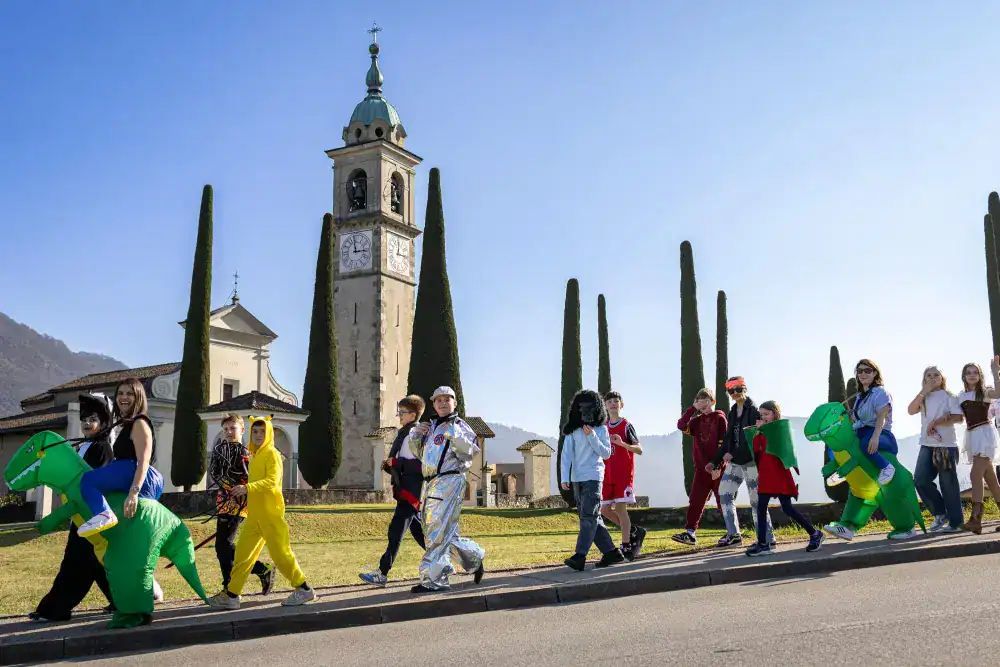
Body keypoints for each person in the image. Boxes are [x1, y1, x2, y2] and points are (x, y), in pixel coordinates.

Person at [207, 415, 316, 608]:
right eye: (255, 431)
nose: (258, 435)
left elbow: (272, 482)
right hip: (253, 516)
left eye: (262, 431)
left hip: (270, 514)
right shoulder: (254, 455)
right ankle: (232, 595)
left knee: (281, 555)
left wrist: (246, 488)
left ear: (270, 433)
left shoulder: (272, 453)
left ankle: (304, 589)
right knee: (242, 556)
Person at [30, 393, 116, 622]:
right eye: (84, 419)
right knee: (97, 565)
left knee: (76, 563)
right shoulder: (83, 446)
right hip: (81, 515)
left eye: (93, 419)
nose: (87, 423)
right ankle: (121, 601)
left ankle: (54, 609)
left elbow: (92, 483)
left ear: (104, 422)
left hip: (91, 516)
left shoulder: (102, 448)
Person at [409, 386, 486, 593]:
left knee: (436, 531)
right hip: (432, 482)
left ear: (455, 402)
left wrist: (455, 435)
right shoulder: (431, 426)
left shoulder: (460, 426)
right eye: (438, 400)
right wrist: (416, 436)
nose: (443, 403)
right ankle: (474, 559)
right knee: (441, 531)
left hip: (450, 480)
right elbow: (422, 455)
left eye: (447, 399)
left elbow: (471, 451)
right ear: (433, 404)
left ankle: (433, 580)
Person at [77, 378, 165, 537]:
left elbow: (143, 461)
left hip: (132, 471)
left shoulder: (140, 423)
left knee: (88, 480)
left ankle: (103, 514)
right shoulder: (128, 424)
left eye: (129, 394)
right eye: (120, 393)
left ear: (138, 397)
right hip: (127, 471)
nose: (123, 397)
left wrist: (134, 493)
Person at [360, 395, 427, 587]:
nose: (399, 415)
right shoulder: (405, 433)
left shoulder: (415, 434)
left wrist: (396, 462)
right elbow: (403, 460)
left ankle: (382, 573)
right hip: (405, 490)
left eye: (402, 412)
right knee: (420, 535)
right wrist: (390, 464)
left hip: (411, 492)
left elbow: (421, 466)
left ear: (413, 414)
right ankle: (445, 561)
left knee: (395, 533)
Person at [745, 401, 824, 556]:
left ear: (775, 413)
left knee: (787, 508)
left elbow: (778, 445)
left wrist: (763, 430)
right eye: (761, 415)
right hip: (766, 475)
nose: (763, 417)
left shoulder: (780, 428)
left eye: (766, 414)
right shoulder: (761, 431)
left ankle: (815, 533)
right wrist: (756, 433)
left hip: (779, 474)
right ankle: (763, 543)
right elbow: (756, 450)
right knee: (760, 508)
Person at [208, 413, 275, 594]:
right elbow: (217, 475)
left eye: (233, 428)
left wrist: (241, 490)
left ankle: (234, 586)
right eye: (226, 429)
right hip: (223, 502)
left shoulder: (246, 453)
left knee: (223, 546)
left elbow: (250, 479)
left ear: (242, 430)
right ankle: (238, 581)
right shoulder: (221, 450)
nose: (229, 432)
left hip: (238, 503)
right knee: (223, 546)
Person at [562, 389, 626, 571]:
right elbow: (566, 456)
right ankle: (612, 553)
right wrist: (565, 477)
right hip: (577, 479)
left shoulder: (601, 429)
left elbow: (605, 453)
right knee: (592, 516)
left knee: (588, 516)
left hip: (594, 477)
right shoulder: (572, 431)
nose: (585, 411)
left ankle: (579, 556)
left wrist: (592, 436)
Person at [707, 377, 773, 547]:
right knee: (725, 494)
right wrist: (714, 461)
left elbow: (752, 438)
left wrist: (732, 453)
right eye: (730, 391)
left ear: (744, 388)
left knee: (757, 501)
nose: (734, 393)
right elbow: (729, 438)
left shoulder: (754, 411)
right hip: (735, 462)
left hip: (751, 461)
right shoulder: (732, 412)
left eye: (737, 389)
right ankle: (734, 535)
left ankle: (766, 538)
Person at [908, 366, 964, 533]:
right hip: (927, 445)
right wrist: (923, 391)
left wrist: (936, 422)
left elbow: (958, 418)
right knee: (920, 479)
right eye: (928, 375)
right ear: (924, 379)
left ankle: (956, 522)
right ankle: (940, 513)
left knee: (948, 484)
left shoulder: (949, 396)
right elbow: (911, 410)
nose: (932, 378)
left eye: (936, 375)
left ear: (942, 377)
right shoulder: (923, 397)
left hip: (945, 445)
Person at [672, 388, 728, 546]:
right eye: (699, 400)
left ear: (713, 401)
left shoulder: (720, 418)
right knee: (696, 500)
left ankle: (732, 531)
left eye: (706, 400)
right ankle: (690, 533)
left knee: (723, 500)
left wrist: (718, 465)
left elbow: (723, 443)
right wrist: (692, 409)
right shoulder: (696, 421)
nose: (703, 403)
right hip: (702, 469)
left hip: (718, 469)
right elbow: (681, 425)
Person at [600, 391, 646, 560]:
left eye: (616, 401)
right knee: (604, 509)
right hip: (607, 474)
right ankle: (634, 531)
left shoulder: (626, 425)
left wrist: (622, 444)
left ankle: (626, 545)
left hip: (623, 473)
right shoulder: (603, 427)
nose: (613, 404)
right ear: (605, 405)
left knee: (620, 508)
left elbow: (639, 449)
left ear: (621, 404)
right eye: (609, 401)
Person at [956, 359, 1000, 533]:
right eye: (968, 372)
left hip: (985, 434)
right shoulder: (961, 395)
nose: (972, 375)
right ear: (964, 377)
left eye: (975, 372)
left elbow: (998, 392)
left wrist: (995, 372)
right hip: (972, 435)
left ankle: (976, 519)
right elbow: (958, 417)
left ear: (980, 375)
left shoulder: (986, 392)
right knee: (991, 480)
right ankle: (976, 519)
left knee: (975, 474)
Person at [847, 359, 897, 485]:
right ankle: (845, 471)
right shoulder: (859, 396)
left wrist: (875, 438)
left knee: (865, 444)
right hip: (862, 431)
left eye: (867, 370)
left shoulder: (880, 392)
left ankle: (886, 467)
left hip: (882, 433)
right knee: (841, 442)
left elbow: (881, 417)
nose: (863, 374)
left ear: (875, 373)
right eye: (860, 371)